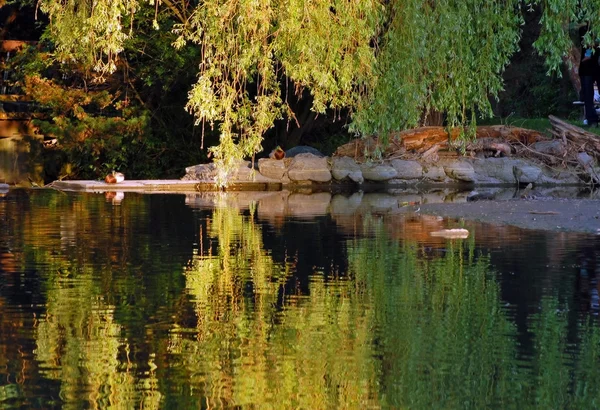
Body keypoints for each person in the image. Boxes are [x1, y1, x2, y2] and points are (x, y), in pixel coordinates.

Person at [578, 24, 600, 127]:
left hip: (597, 66)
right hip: (586, 68)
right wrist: (588, 54)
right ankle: (592, 120)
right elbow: (587, 43)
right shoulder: (583, 29)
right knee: (588, 95)